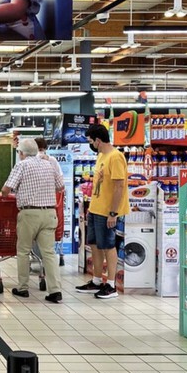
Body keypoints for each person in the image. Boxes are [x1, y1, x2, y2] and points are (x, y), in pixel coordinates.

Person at [1, 139, 64, 303]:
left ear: (21, 153)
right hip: (50, 213)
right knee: (48, 253)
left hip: (29, 214)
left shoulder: (21, 165)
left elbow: (5, 190)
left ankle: (23, 288)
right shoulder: (49, 164)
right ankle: (55, 290)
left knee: (23, 251)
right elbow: (60, 187)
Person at [77, 125, 129, 300]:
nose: (91, 144)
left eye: (91, 141)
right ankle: (97, 280)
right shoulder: (101, 156)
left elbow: (119, 186)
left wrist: (113, 213)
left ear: (98, 140)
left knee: (108, 246)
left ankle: (111, 285)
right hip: (95, 208)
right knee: (95, 245)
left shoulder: (115, 157)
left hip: (108, 210)